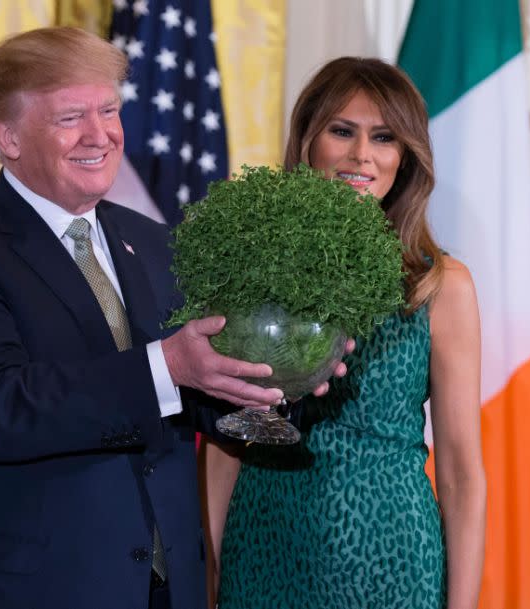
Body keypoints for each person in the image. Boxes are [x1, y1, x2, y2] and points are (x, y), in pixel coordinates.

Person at [0, 26, 336, 609]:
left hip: (165, 587)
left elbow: (191, 391)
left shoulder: (153, 242)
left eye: (109, 110)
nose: (100, 135)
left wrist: (265, 382)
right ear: (8, 136)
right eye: (71, 117)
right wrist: (167, 365)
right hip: (33, 590)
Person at [205, 57, 486, 609]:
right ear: (308, 141)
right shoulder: (251, 269)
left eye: (384, 137)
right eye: (342, 131)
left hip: (394, 562)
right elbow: (225, 444)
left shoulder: (439, 284)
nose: (362, 155)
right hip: (263, 550)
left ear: (404, 158)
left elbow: (460, 472)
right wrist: (208, 577)